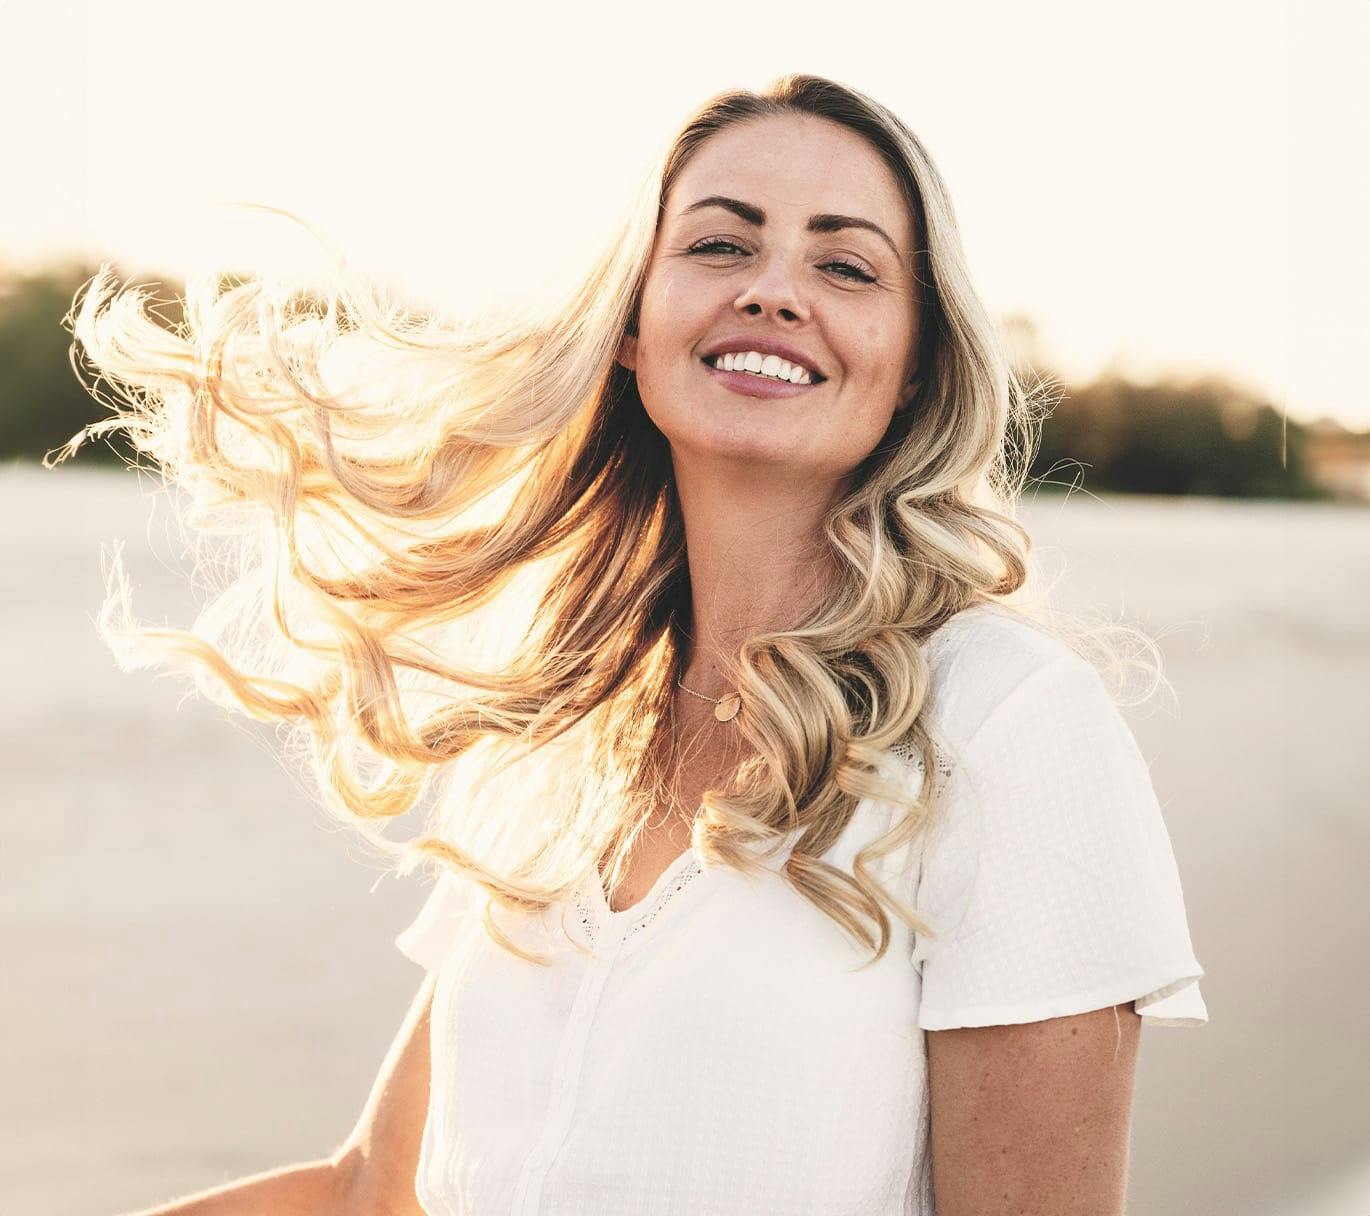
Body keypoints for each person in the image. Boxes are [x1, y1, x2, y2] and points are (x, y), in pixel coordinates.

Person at [76, 73, 1206, 1216]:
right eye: (719, 245)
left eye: (845, 265)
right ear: (629, 324)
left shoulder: (1004, 723)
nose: (772, 292)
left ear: (914, 359)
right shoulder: (550, 735)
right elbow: (377, 1191)